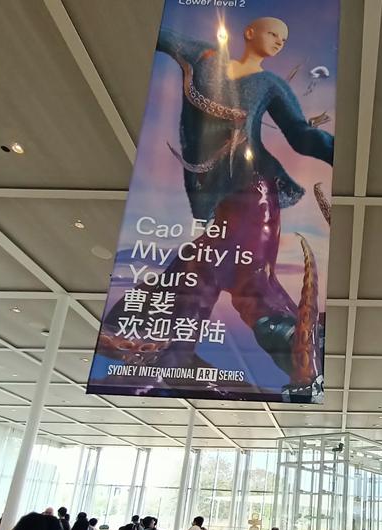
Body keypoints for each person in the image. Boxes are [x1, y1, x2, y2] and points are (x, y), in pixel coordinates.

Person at [94, 16, 334, 402]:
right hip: (218, 199)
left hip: (255, 191)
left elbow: (302, 136)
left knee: (233, 272)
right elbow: (161, 34)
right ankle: (172, 355)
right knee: (212, 268)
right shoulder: (204, 57)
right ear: (250, 32)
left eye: (284, 38)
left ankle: (180, 355)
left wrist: (344, 154)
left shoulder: (271, 85)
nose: (279, 41)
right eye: (273, 33)